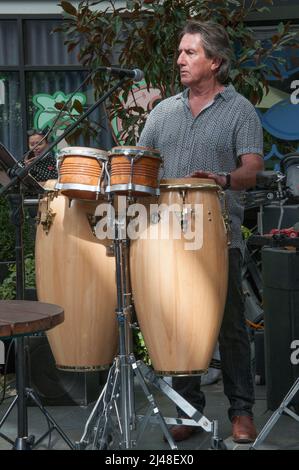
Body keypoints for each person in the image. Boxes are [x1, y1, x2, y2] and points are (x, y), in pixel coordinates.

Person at [138, 20, 264, 443]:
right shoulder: (162, 112)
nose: (180, 60)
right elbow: (142, 161)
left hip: (218, 236)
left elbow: (253, 168)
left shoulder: (240, 109)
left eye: (190, 53)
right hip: (166, 240)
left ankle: (242, 412)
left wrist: (224, 180)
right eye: (179, 52)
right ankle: (187, 412)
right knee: (175, 325)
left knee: (230, 329)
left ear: (215, 61)